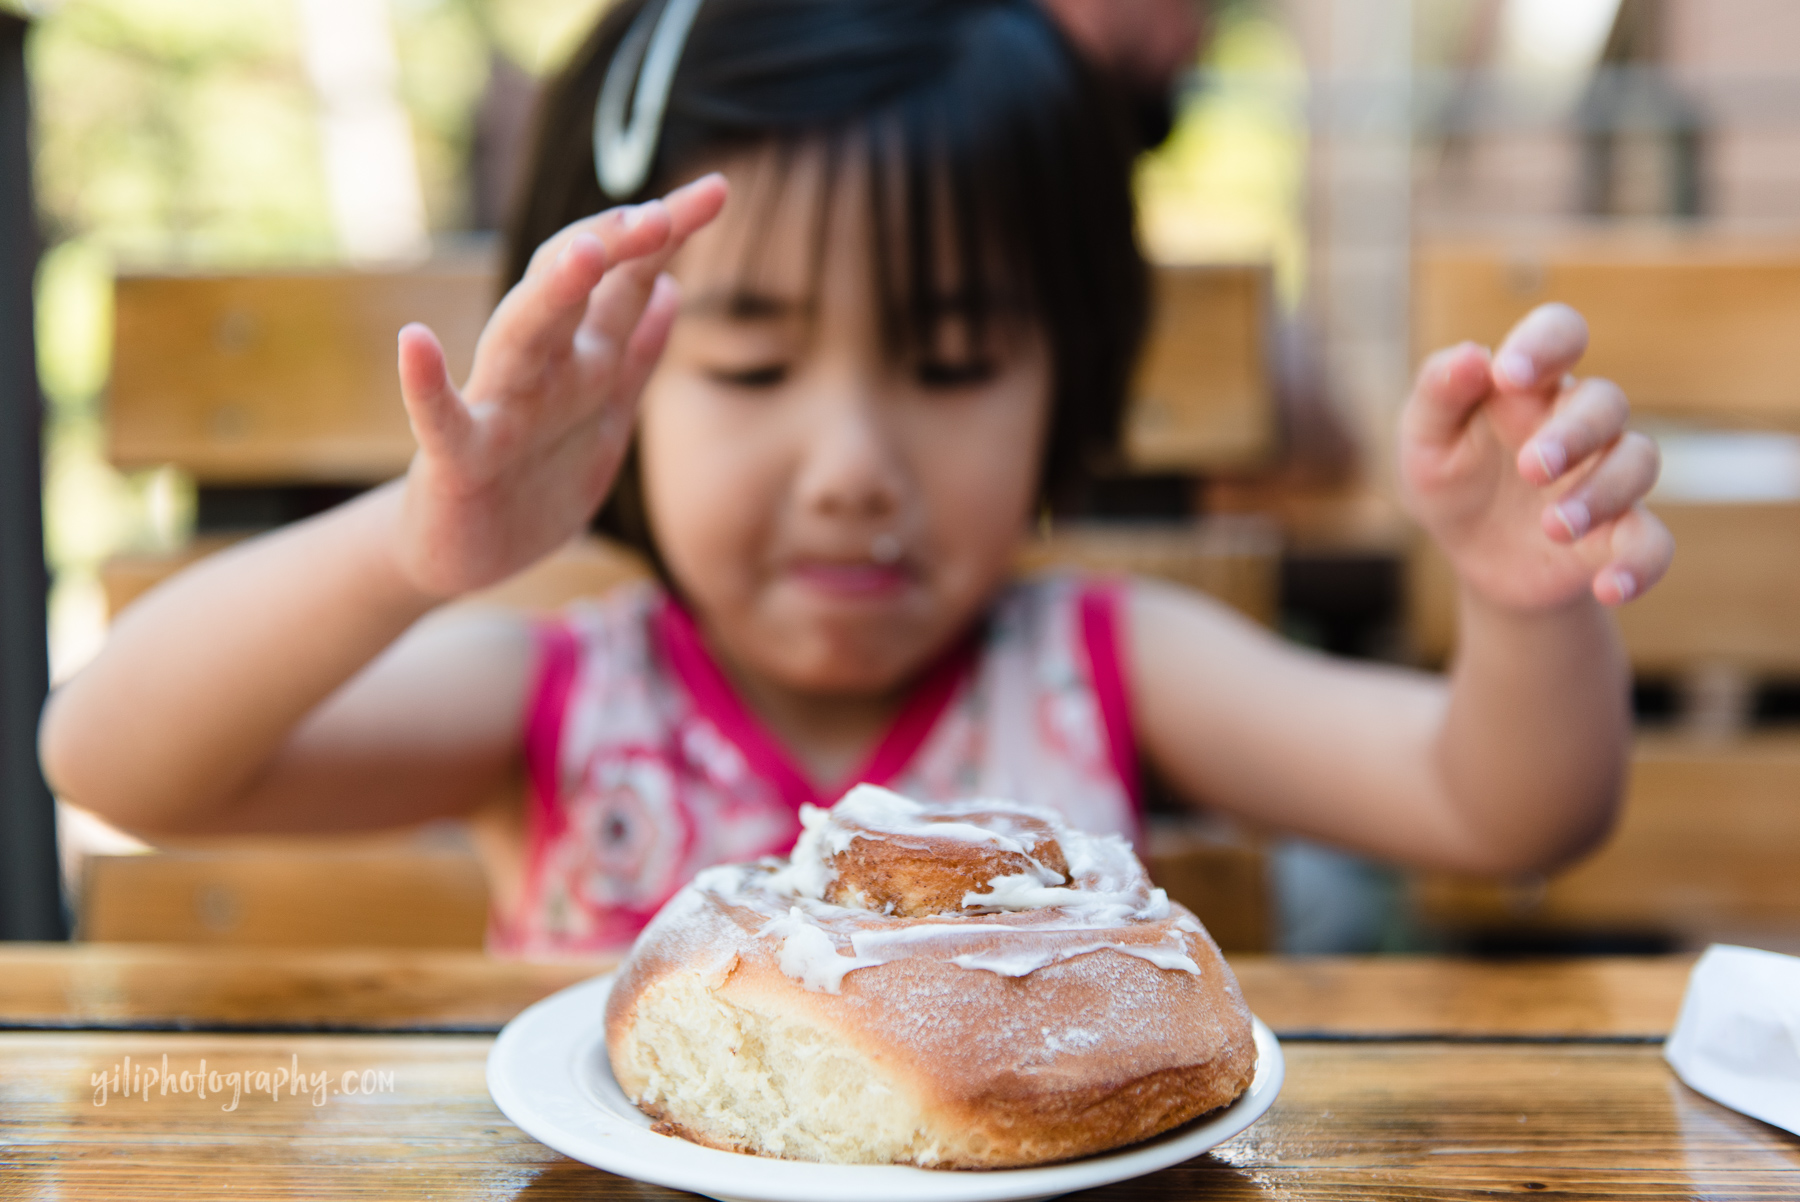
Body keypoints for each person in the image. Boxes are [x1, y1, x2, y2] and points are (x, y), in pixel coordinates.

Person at [39, 0, 1672, 956]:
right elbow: (115, 757)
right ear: (609, 375)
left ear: (1068, 377)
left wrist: (1525, 606)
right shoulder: (555, 703)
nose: (850, 466)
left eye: (953, 364)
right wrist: (411, 545)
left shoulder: (1104, 667)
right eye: (750, 363)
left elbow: (1504, 801)